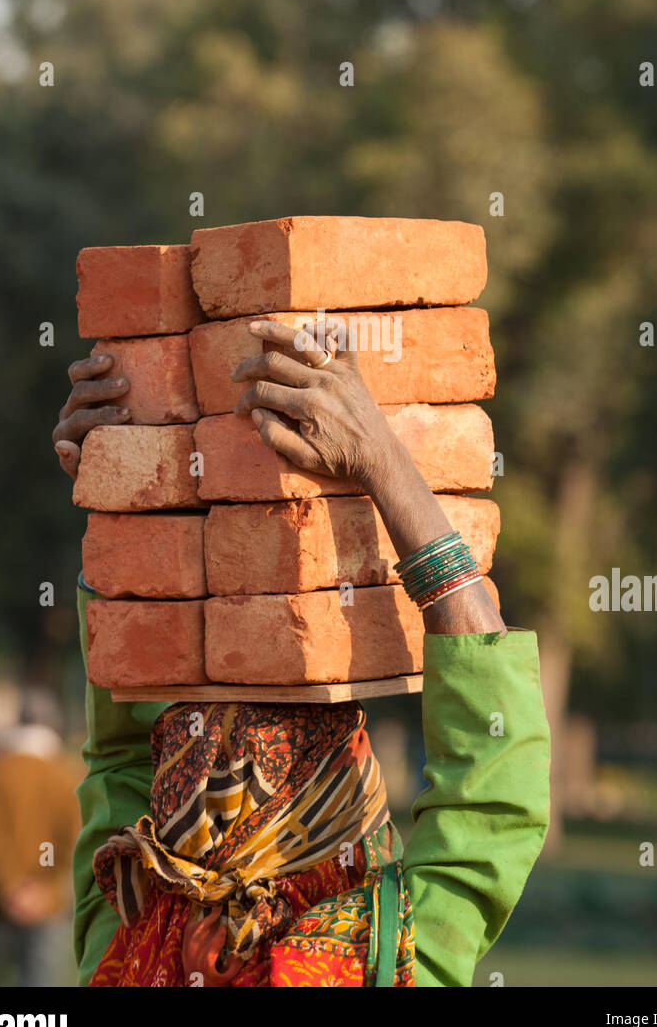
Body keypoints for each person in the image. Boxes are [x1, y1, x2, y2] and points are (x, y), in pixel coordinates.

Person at [54, 318, 551, 987]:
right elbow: (494, 801)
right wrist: (383, 459)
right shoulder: (371, 962)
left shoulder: (133, 930)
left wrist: (120, 506)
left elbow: (116, 757)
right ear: (346, 813)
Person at [0, 686, 80, 987]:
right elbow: (66, 845)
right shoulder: (66, 774)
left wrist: (10, 886)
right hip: (46, 909)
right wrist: (44, 890)